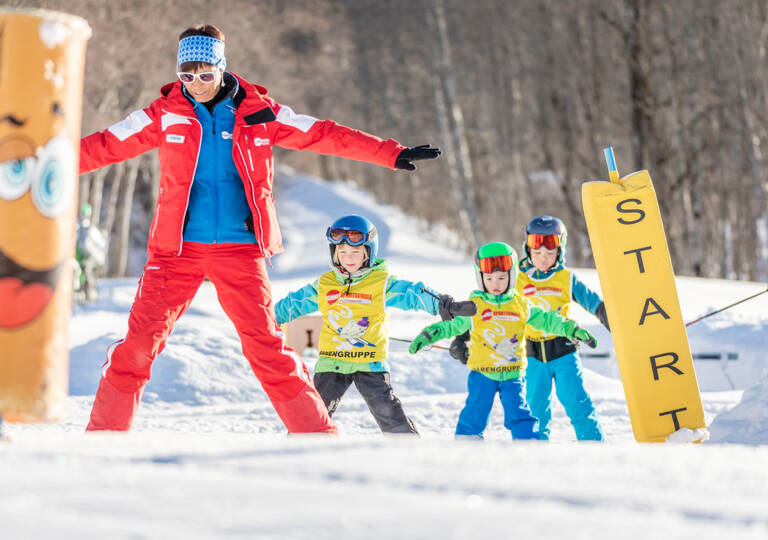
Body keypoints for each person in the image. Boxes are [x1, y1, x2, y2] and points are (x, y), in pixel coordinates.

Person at [78, 25, 441, 433]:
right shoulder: (162, 115)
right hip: (176, 252)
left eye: (205, 74)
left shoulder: (259, 112)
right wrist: (44, 166)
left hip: (239, 251)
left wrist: (390, 153)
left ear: (221, 68)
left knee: (267, 347)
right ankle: (104, 439)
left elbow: (322, 134)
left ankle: (315, 434)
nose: (195, 84)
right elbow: (104, 144)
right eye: (186, 75)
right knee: (138, 347)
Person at [275, 215, 459, 434]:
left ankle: (407, 449)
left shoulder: (381, 283)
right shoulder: (325, 284)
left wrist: (442, 304)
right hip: (332, 362)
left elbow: (411, 292)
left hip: (370, 363)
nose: (348, 258)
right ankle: (300, 449)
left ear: (368, 252)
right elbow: (295, 303)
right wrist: (265, 317)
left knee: (387, 411)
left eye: (355, 252)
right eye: (342, 252)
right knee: (314, 412)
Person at [409, 241, 597, 440]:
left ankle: (529, 445)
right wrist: (429, 335)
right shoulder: (476, 307)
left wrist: (571, 329)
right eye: (489, 278)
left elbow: (547, 319)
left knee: (521, 414)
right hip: (483, 373)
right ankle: (467, 445)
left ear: (512, 276)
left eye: (501, 277)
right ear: (480, 278)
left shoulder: (520, 305)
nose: (496, 284)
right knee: (475, 412)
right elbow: (451, 326)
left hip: (512, 374)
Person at [517, 216, 610, 440]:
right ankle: (535, 449)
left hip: (564, 351)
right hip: (532, 355)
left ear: (560, 251)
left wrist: (610, 318)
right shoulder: (518, 280)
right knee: (535, 408)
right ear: (528, 249)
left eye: (550, 253)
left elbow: (593, 302)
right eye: (537, 253)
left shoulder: (566, 279)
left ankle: (594, 445)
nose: (543, 258)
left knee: (577, 401)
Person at [74, 203, 107, 302]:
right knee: (86, 272)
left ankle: (83, 292)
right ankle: (88, 293)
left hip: (79, 255)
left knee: (81, 273)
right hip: (86, 256)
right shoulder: (90, 228)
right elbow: (101, 243)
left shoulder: (78, 225)